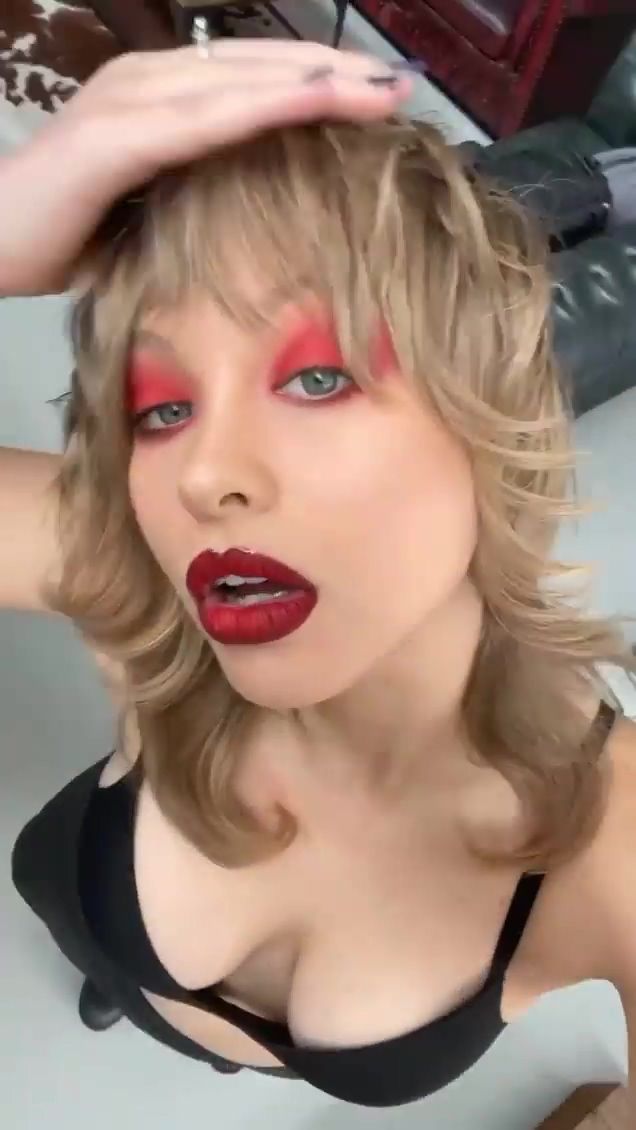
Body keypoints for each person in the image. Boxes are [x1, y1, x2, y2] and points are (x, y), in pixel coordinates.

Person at [2, 38, 636, 1111]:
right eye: (162, 407)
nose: (205, 474)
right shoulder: (134, 563)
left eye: (316, 377)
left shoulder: (613, 846)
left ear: (492, 418)